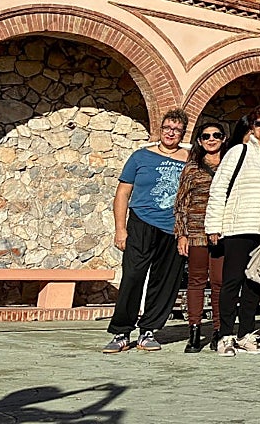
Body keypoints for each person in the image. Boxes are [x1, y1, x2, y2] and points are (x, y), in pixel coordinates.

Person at [102, 108, 190, 353]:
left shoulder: (190, 159)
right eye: (167, 128)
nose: (170, 133)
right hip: (141, 222)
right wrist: (120, 229)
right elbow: (122, 194)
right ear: (160, 129)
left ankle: (149, 330)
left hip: (173, 228)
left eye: (176, 130)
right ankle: (121, 331)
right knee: (133, 276)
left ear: (183, 133)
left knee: (165, 281)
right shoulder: (140, 156)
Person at [205, 104, 260, 357]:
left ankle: (246, 335)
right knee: (232, 282)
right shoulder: (238, 152)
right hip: (238, 226)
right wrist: (213, 225)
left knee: (255, 283)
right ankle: (225, 335)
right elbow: (219, 188)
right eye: (259, 123)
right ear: (252, 127)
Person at [174, 121, 228, 353]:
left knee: (219, 282)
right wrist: (181, 234)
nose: (211, 139)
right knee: (196, 282)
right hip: (196, 232)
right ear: (199, 141)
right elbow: (181, 203)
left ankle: (218, 330)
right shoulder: (192, 168)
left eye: (216, 135)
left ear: (223, 138)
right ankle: (194, 330)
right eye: (206, 136)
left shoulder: (230, 165)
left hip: (222, 232)